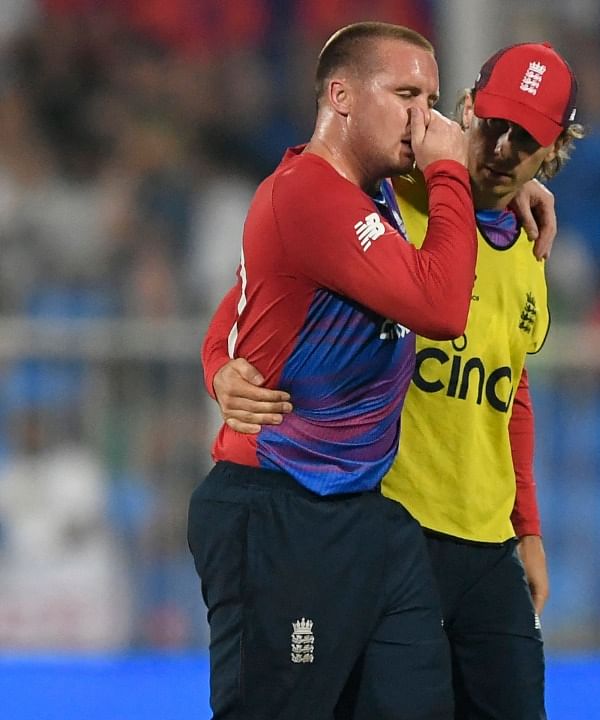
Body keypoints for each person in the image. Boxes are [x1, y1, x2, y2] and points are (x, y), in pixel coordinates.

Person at [204, 42, 584, 720]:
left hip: (485, 537)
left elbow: (510, 385)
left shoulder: (530, 244)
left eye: (523, 142)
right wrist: (218, 366)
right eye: (491, 123)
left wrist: (527, 526)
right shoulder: (391, 193)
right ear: (466, 109)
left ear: (551, 152)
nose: (498, 147)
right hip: (389, 517)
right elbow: (255, 289)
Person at [185, 21, 479, 720]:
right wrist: (450, 172)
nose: (426, 117)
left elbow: (248, 293)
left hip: (363, 514)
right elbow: (440, 308)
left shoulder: (370, 193)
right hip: (280, 508)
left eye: (431, 98)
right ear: (342, 97)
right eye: (406, 93)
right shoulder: (309, 193)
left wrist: (219, 360)